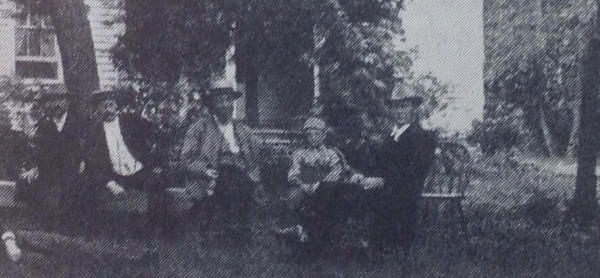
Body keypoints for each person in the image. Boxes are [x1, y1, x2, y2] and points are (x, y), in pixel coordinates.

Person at [0, 163, 157, 272]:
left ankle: (131, 261)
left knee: (63, 243)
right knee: (53, 265)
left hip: (12, 242)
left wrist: (10, 240)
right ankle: (119, 270)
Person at [72, 87, 170, 235]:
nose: (108, 110)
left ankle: (157, 228)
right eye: (103, 106)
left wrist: (157, 164)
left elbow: (157, 134)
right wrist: (109, 182)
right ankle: (95, 232)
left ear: (116, 106)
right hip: (115, 175)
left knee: (158, 183)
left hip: (139, 171)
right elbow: (93, 162)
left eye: (110, 105)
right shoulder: (94, 130)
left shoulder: (131, 121)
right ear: (98, 109)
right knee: (87, 188)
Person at [280, 115, 382, 258]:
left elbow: (345, 170)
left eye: (316, 133)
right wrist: (304, 185)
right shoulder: (300, 154)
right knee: (306, 196)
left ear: (323, 135)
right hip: (309, 189)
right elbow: (293, 175)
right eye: (309, 134)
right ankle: (307, 235)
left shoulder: (333, 153)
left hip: (331, 190)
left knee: (347, 192)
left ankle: (336, 237)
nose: (313, 137)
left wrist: (359, 179)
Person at [179, 77, 260, 239]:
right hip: (211, 175)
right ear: (212, 105)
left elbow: (255, 160)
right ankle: (231, 227)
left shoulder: (244, 130)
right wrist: (206, 170)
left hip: (241, 173)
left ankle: (235, 227)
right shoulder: (199, 128)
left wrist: (254, 175)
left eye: (229, 100)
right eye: (220, 101)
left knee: (239, 180)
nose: (226, 105)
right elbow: (186, 161)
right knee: (231, 179)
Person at [367, 82, 437, 254]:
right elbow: (380, 164)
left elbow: (414, 169)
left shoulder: (420, 136)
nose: (399, 111)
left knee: (385, 196)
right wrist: (370, 177)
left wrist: (383, 180)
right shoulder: (391, 135)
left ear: (413, 109)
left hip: (407, 186)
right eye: (396, 107)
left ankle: (388, 244)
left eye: (404, 106)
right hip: (390, 183)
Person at [16, 82, 83, 226]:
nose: (56, 104)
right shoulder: (44, 123)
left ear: (67, 102)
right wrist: (33, 167)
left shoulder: (78, 122)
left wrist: (81, 160)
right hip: (48, 167)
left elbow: (81, 147)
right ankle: (40, 222)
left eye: (61, 100)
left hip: (70, 166)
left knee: (68, 187)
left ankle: (66, 226)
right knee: (29, 181)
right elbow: (39, 150)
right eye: (53, 100)